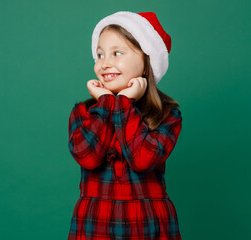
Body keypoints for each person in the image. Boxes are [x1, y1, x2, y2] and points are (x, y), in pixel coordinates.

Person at [67, 11, 183, 239]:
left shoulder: (167, 114)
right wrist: (106, 103)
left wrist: (125, 103)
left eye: (117, 53)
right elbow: (87, 156)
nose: (104, 63)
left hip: (147, 222)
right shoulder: (83, 112)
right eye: (99, 55)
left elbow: (142, 159)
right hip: (95, 221)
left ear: (146, 60)